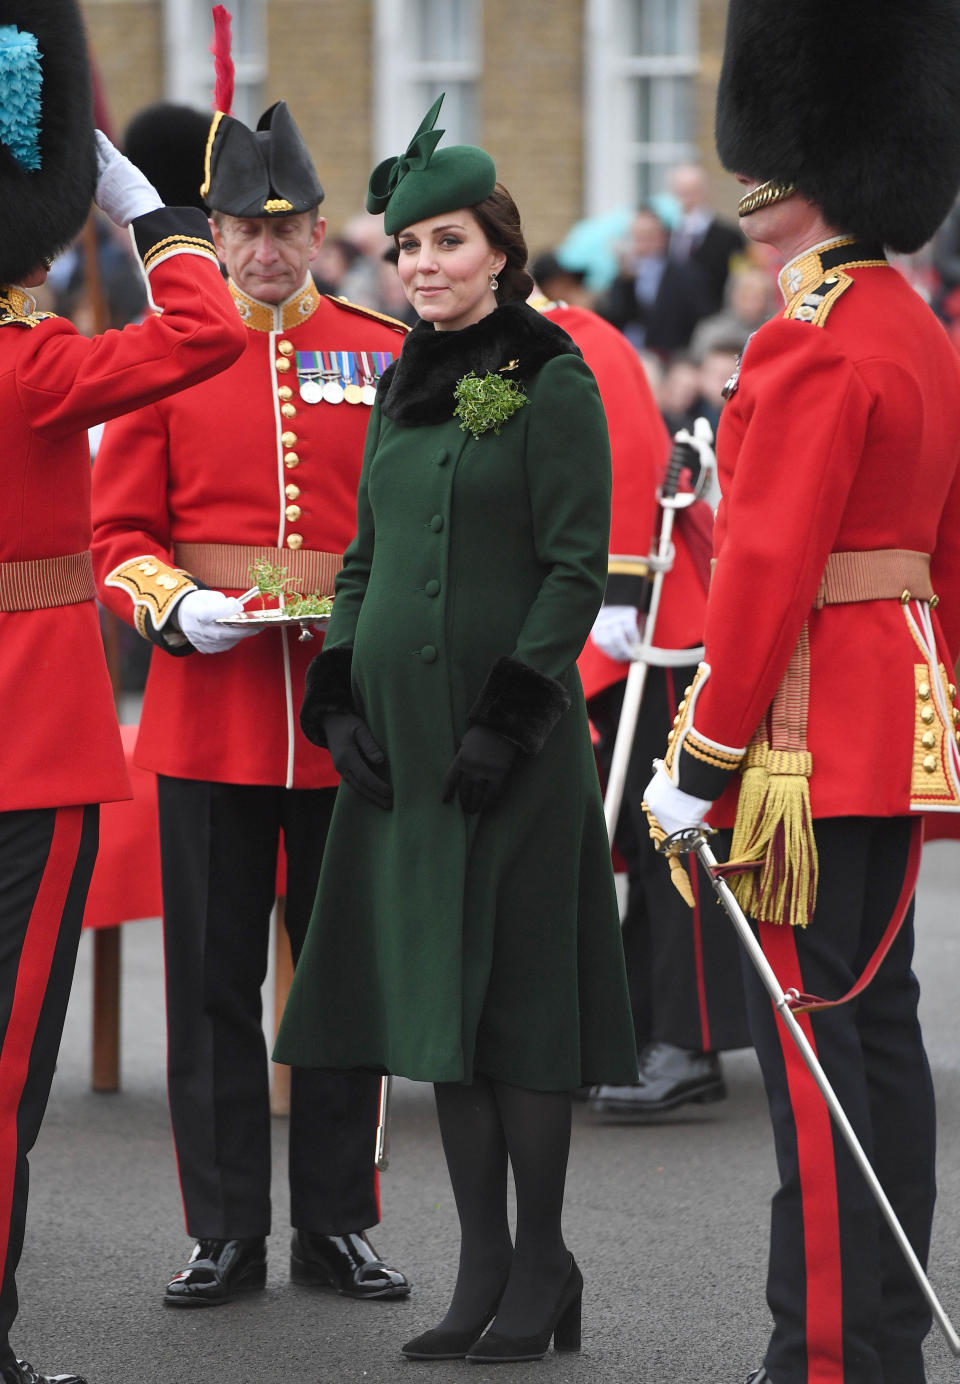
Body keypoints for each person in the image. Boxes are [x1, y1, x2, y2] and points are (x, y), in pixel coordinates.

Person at [274, 94, 638, 1364]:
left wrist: (512, 715)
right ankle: (484, 1262)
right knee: (444, 1010)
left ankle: (542, 1260)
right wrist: (335, 695)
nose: (422, 266)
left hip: (512, 756)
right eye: (407, 247)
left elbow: (574, 568)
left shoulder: (554, 377)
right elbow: (365, 562)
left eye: (447, 244)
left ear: (500, 248)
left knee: (520, 1012)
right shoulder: (400, 385)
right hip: (406, 757)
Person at [642, 0, 960, 1379]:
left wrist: (697, 762)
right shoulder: (918, 327)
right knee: (878, 1038)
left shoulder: (809, 337)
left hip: (803, 744)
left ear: (791, 168)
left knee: (821, 1064)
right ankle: (877, 1335)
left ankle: (827, 1353)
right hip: (896, 721)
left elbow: (768, 578)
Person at [90, 84, 410, 1307]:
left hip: (343, 715)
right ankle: (226, 1227)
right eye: (244, 230)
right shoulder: (169, 356)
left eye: (288, 229)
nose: (267, 250)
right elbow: (116, 531)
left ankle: (339, 1219)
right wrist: (174, 603)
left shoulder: (385, 357)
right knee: (212, 986)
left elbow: (412, 533)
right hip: (212, 713)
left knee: (341, 983)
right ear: (213, 236)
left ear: (320, 232)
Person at [0, 2, 247, 1378]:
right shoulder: (31, 363)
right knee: (5, 1076)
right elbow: (205, 329)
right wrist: (131, 197)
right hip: (31, 752)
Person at [524, 292, 751, 1116]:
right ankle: (638, 1026)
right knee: (621, 836)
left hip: (640, 620)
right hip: (570, 619)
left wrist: (620, 584)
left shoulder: (581, 337)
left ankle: (689, 1041)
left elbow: (621, 446)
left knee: (670, 836)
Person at [597, 204, 714, 356]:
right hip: (632, 353)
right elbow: (616, 318)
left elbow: (701, 318)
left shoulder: (687, 275)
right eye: (638, 236)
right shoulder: (623, 276)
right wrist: (626, 283)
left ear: (663, 237)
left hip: (673, 357)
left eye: (649, 235)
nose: (644, 243)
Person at [666, 163, 745, 315]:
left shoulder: (729, 237)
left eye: (694, 192)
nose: (689, 200)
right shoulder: (668, 234)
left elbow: (739, 278)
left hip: (714, 316)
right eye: (683, 194)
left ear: (706, 192)